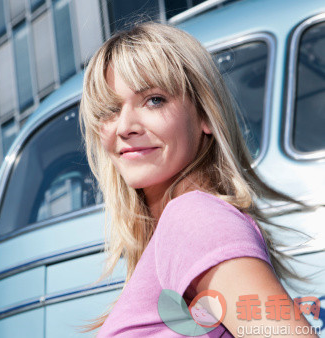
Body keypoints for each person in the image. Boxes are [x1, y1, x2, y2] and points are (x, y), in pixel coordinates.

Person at [78, 22, 318, 337]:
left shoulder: (194, 219)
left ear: (204, 114)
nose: (124, 127)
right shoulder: (179, 230)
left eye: (154, 100)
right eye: (110, 109)